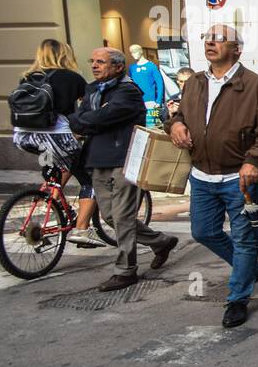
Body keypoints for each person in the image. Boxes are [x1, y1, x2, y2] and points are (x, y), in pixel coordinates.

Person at [168, 25, 258, 329]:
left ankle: (237, 299)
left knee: (245, 239)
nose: (211, 43)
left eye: (220, 39)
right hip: (202, 175)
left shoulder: (256, 86)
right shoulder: (194, 82)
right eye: (207, 38)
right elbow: (181, 115)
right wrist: (176, 125)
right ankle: (250, 270)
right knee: (203, 231)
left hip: (239, 177)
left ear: (237, 49)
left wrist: (254, 161)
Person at [68, 48, 179, 291]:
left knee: (123, 217)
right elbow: (78, 119)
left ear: (118, 67)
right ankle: (160, 242)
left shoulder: (128, 91)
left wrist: (89, 120)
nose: (95, 66)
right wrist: (90, 120)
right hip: (97, 159)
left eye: (101, 62)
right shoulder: (92, 90)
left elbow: (102, 118)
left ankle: (126, 270)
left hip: (125, 159)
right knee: (109, 216)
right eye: (93, 61)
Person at [11, 38, 102, 248]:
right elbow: (90, 107)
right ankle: (82, 229)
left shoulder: (28, 78)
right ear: (64, 54)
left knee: (55, 174)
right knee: (91, 178)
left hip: (24, 137)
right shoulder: (71, 78)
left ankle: (50, 213)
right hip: (56, 136)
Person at [127, 44, 165, 127]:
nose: (134, 54)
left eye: (135, 52)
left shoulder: (151, 66)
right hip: (136, 102)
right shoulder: (132, 68)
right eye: (132, 53)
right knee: (138, 126)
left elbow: (159, 83)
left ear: (141, 51)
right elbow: (130, 83)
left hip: (150, 101)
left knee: (150, 125)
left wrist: (158, 101)